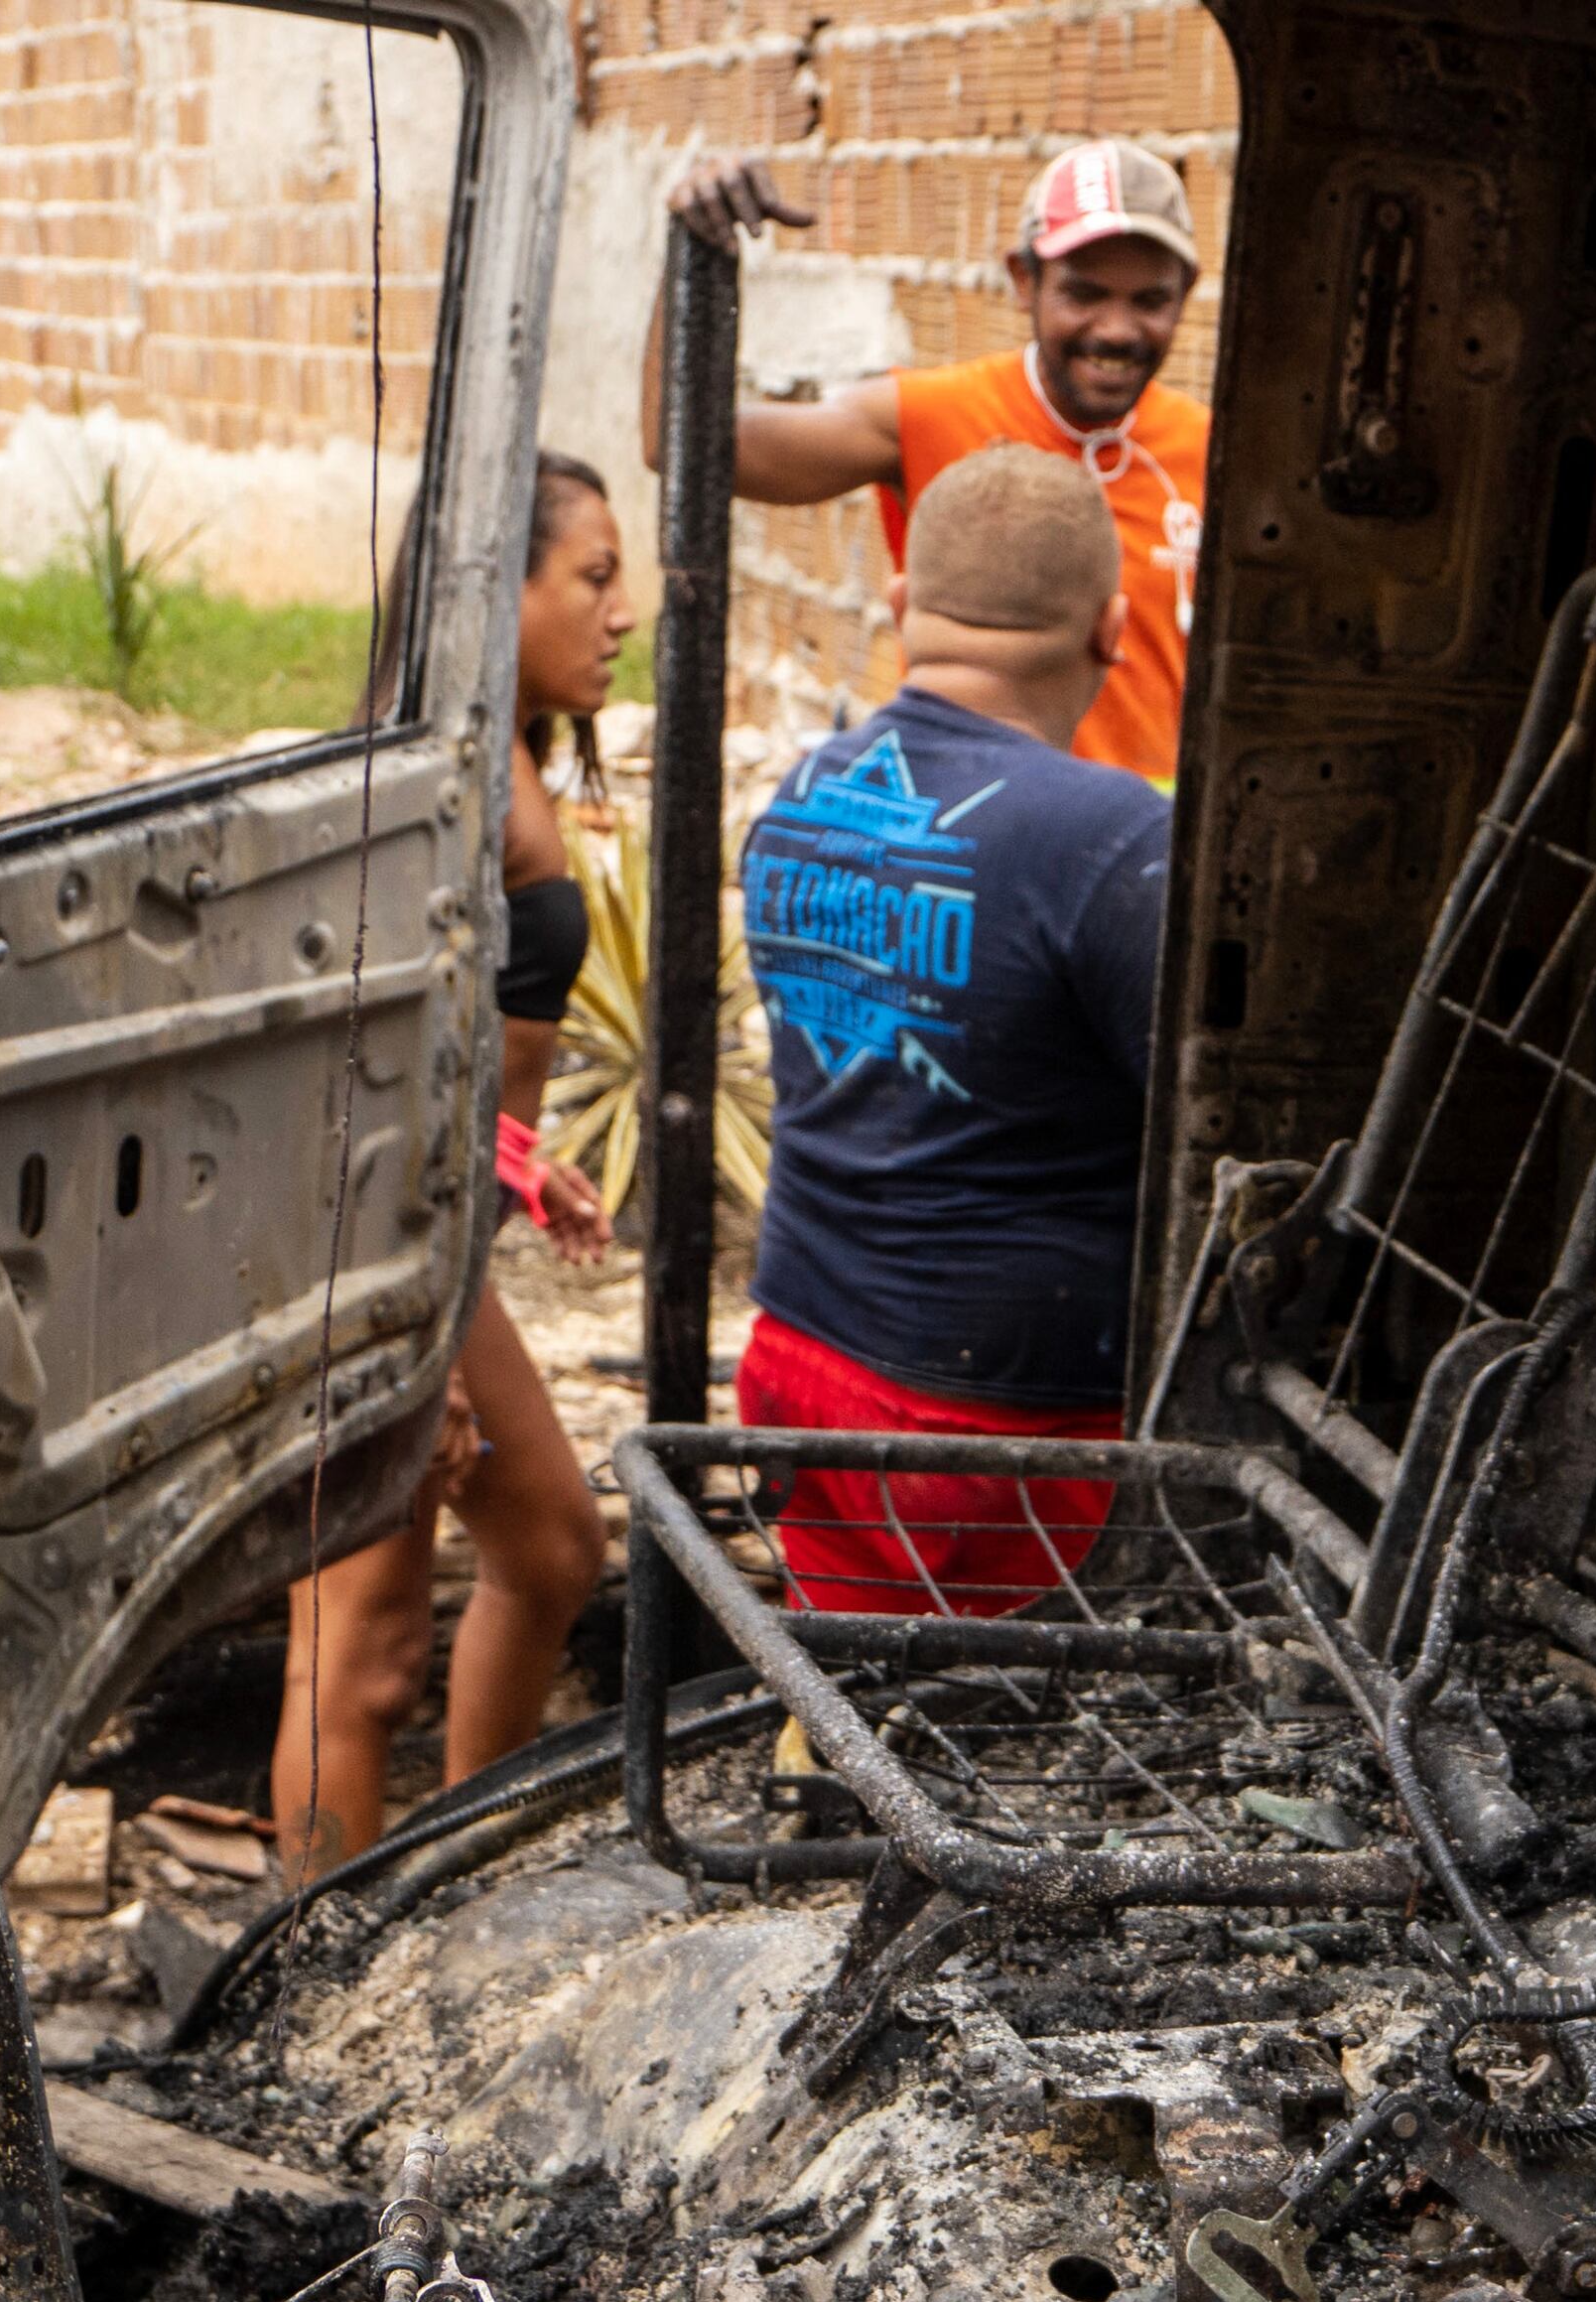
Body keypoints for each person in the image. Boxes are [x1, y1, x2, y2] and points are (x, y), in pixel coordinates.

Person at [730, 443, 1170, 1619]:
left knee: (854, 1708)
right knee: (1007, 1764)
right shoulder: (1114, 840)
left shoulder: (799, 798)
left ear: (900, 608)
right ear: (1114, 630)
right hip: (1002, 1435)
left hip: (799, 1363)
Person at [271, 457, 624, 1876]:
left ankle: (467, 1871)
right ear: (501, 588)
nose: (621, 613)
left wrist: (517, 1156)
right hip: (377, 1242)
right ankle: (309, 1946)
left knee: (547, 1549)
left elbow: (451, 1042)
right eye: (593, 578)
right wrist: (424, 1350)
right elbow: (344, 1072)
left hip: (441, 1227)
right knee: (356, 1648)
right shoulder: (441, 783)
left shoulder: (504, 755)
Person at [651, 137, 1208, 786]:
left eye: (1149, 301)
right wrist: (689, 253)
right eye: (1084, 294)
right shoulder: (929, 415)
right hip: (970, 832)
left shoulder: (1211, 450)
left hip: (1142, 846)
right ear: (1024, 280)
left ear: (1184, 296)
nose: (1116, 329)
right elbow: (680, 448)